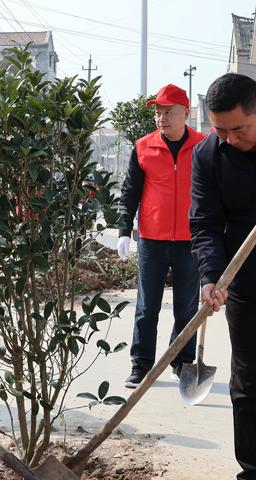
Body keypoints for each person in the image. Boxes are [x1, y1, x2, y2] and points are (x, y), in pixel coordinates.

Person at [190, 72, 256, 480]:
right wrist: (211, 276)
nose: (230, 138)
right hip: (245, 282)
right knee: (249, 382)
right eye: (220, 130)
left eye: (240, 129)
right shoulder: (208, 155)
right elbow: (205, 222)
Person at [118, 84, 205, 388]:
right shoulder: (143, 147)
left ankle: (181, 362)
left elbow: (216, 194)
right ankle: (141, 365)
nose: (161, 117)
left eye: (168, 111)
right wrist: (124, 230)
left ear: (185, 113)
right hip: (152, 239)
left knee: (186, 306)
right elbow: (130, 192)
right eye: (158, 112)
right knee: (147, 305)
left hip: (190, 240)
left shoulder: (204, 146)